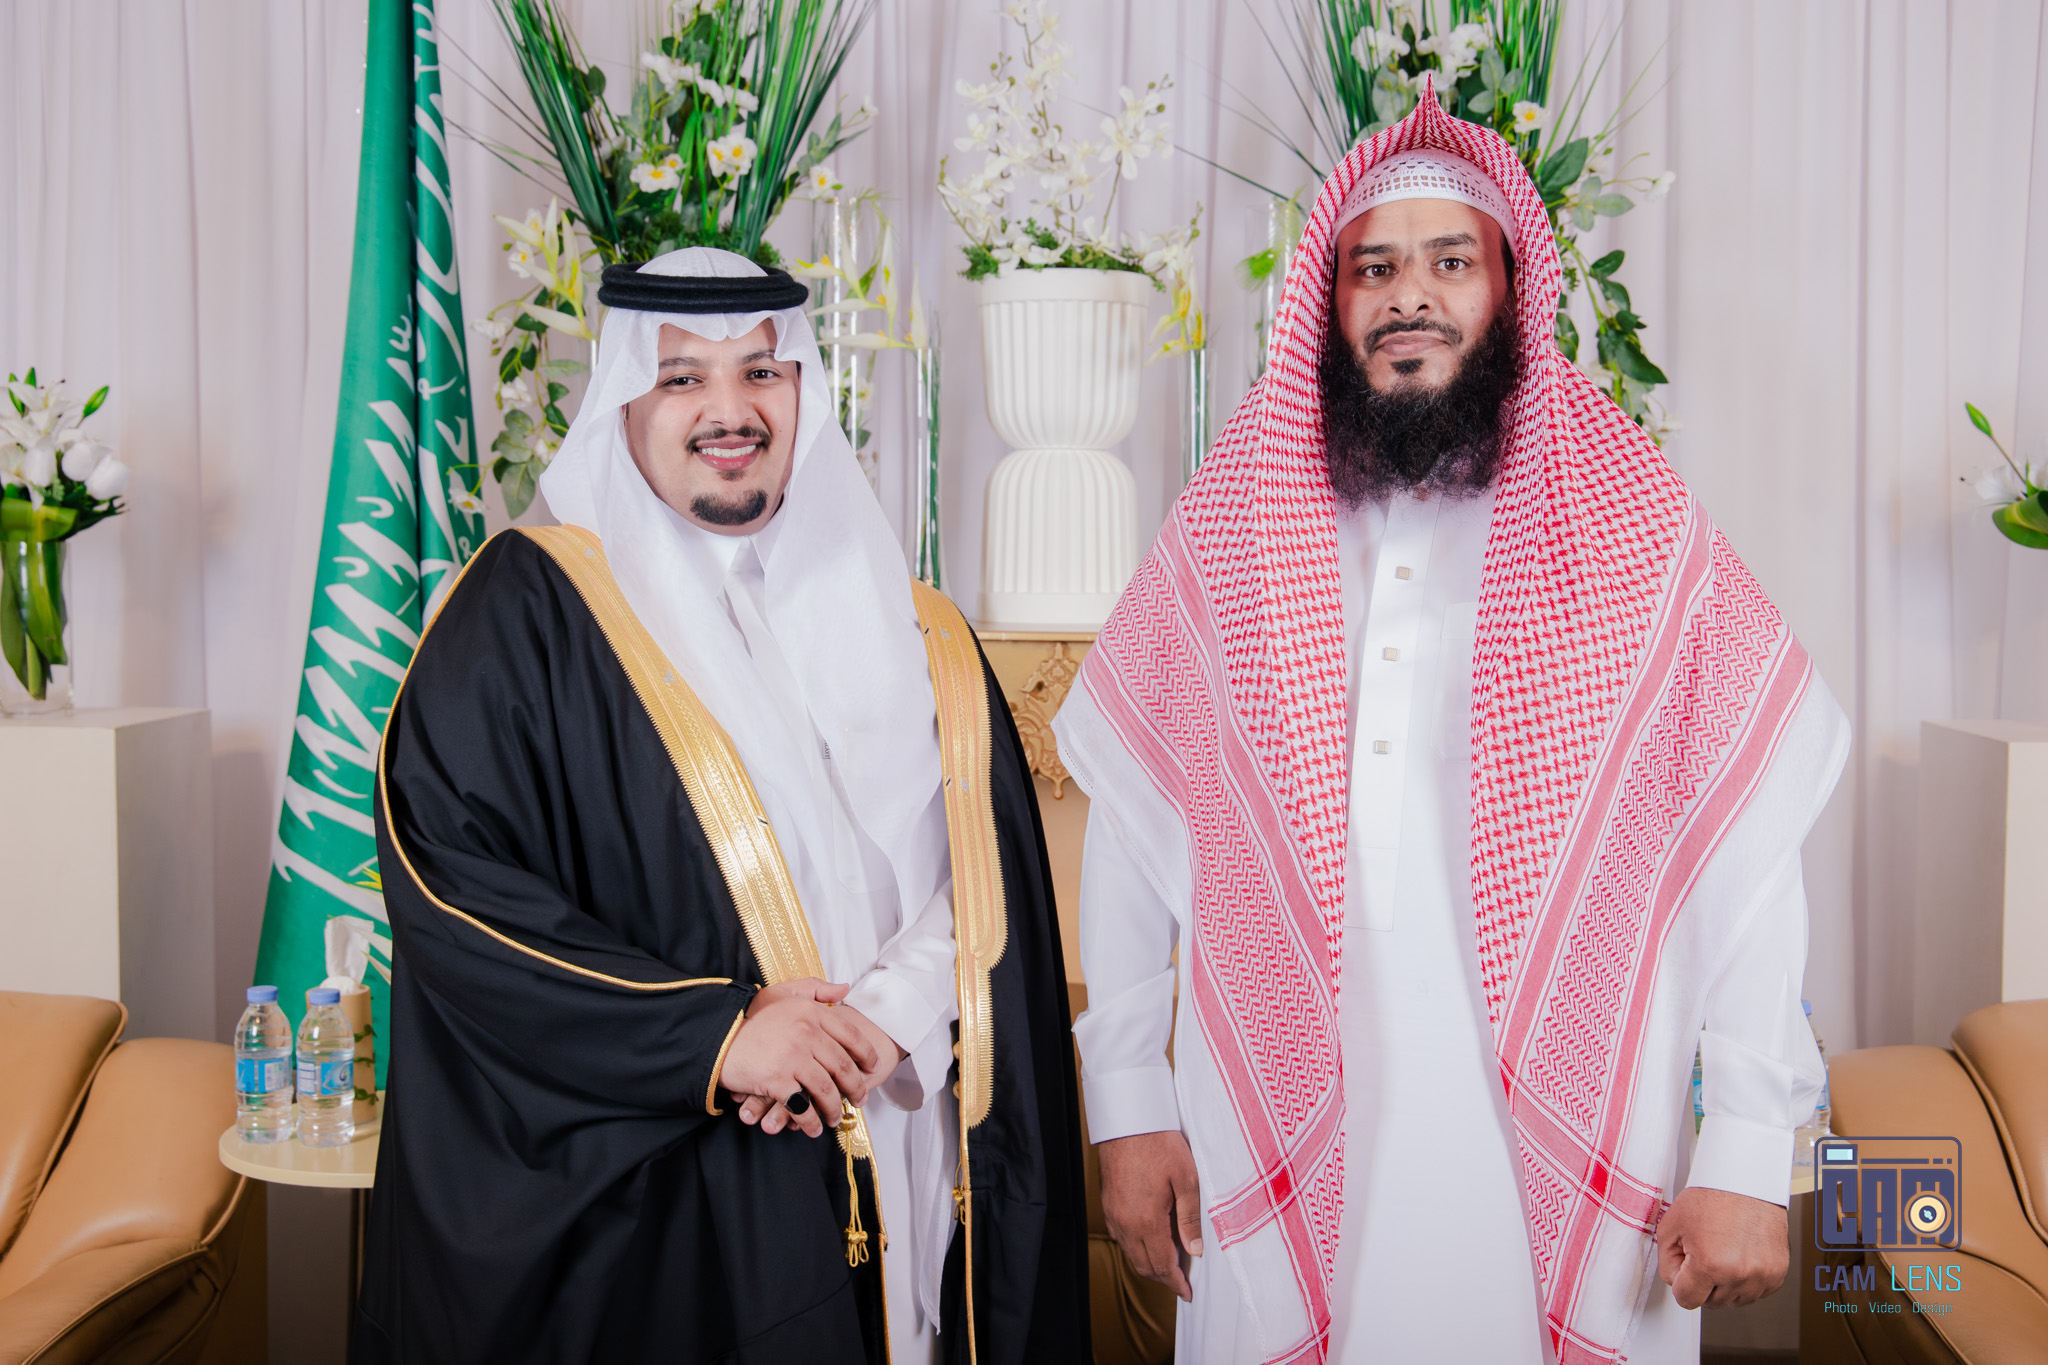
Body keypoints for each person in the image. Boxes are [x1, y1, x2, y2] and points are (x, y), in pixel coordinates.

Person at [1053, 94, 1846, 1364]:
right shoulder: (1235, 527)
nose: (1407, 296)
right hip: (1265, 1118)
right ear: (1327, 302)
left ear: (1509, 292)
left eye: (1447, 262)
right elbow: (1137, 833)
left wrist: (1751, 1148)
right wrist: (1129, 1104)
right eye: (1372, 268)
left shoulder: (1630, 531)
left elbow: (1743, 857)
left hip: (1567, 1126)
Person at [353, 247, 1089, 1364]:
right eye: (682, 377)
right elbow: (453, 887)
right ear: (624, 400)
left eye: (761, 371)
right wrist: (716, 1035)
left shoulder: (914, 623)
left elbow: (979, 868)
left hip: (904, 1136)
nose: (730, 410)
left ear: (801, 390)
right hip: (686, 1205)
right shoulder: (526, 612)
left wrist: (882, 1016)